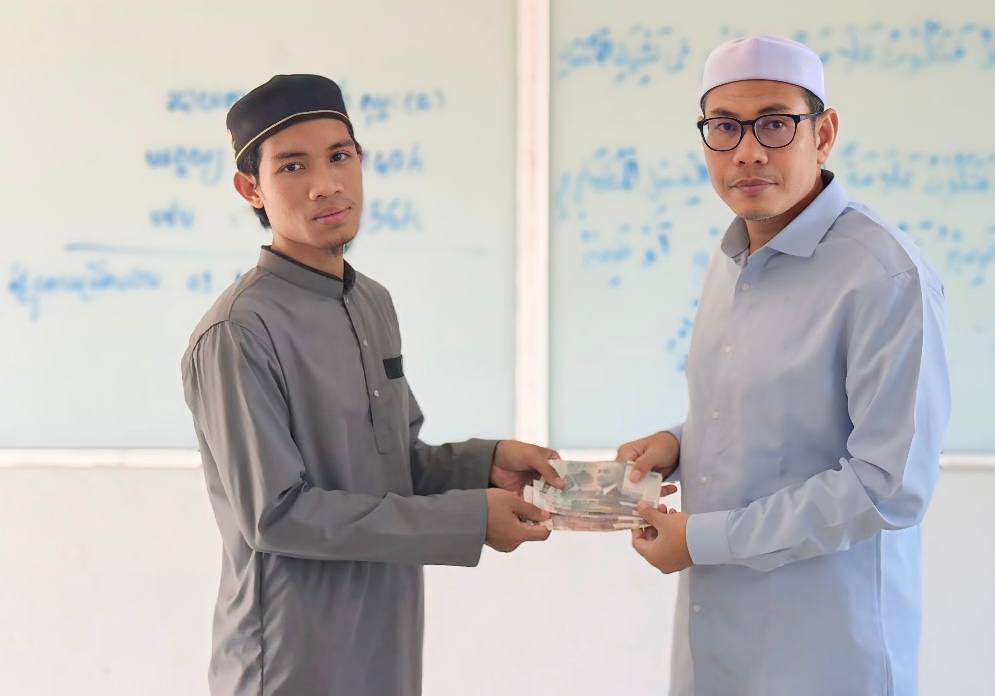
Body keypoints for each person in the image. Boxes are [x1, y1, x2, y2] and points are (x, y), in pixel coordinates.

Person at [181, 74, 564, 696]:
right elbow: (277, 516)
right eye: (293, 166)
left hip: (388, 647)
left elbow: (393, 467)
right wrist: (468, 519)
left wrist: (486, 465)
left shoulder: (372, 303)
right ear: (251, 188)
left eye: (340, 156)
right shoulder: (237, 332)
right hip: (291, 663)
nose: (326, 184)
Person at [619, 36, 950, 696]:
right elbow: (772, 411)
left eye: (774, 123)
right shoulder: (732, 258)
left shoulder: (883, 275)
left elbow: (887, 485)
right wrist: (679, 444)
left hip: (826, 654)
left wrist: (704, 540)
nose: (747, 150)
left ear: (822, 135)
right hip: (718, 646)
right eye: (724, 127)